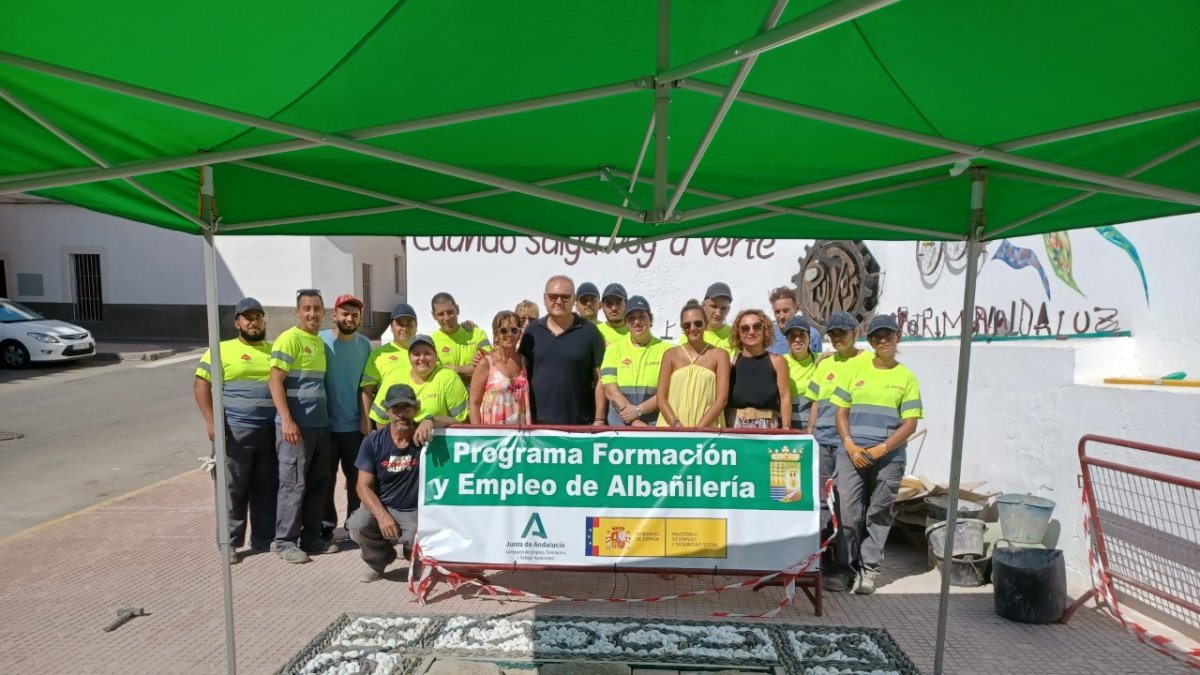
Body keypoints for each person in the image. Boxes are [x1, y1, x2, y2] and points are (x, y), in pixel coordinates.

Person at [832, 314, 923, 595]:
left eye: (887, 335)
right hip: (852, 453)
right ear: (870, 340)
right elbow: (840, 412)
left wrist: (881, 449)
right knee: (847, 509)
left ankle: (869, 569)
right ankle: (844, 569)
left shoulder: (906, 377)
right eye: (876, 336)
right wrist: (849, 444)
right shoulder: (855, 370)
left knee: (879, 511)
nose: (882, 340)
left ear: (897, 337)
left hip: (889, 455)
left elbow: (910, 423)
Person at [193, 297, 277, 563]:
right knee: (232, 488)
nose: (253, 322)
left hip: (269, 431)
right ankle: (228, 542)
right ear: (237, 322)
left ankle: (264, 538)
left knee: (266, 487)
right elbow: (201, 385)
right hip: (234, 432)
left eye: (258, 317)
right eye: (248, 318)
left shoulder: (274, 350)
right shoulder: (220, 350)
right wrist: (211, 421)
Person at [349, 384, 455, 583]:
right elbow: (362, 486)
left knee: (414, 532)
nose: (400, 415)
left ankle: (414, 559)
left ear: (416, 408)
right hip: (383, 505)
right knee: (358, 523)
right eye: (395, 409)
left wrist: (430, 420)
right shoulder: (373, 442)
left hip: (413, 510)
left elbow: (453, 421)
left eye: (406, 408)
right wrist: (382, 516)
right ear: (387, 412)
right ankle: (377, 561)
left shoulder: (424, 436)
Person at [807, 310, 873, 592]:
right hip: (822, 441)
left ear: (855, 333)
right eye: (832, 334)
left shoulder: (869, 362)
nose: (837, 339)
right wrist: (809, 434)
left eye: (842, 333)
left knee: (847, 505)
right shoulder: (823, 364)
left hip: (850, 443)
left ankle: (845, 567)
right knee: (820, 503)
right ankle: (818, 561)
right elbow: (815, 402)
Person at [268, 289, 335, 564]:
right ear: (297, 312)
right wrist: (287, 419)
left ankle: (311, 537)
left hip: (319, 425)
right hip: (295, 428)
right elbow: (275, 382)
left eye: (317, 308)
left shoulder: (318, 341)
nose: (312, 313)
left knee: (318, 484)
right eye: (306, 308)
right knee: (293, 484)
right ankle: (284, 542)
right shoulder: (289, 339)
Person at [319, 294, 372, 541]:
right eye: (345, 314)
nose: (349, 318)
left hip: (353, 426)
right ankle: (326, 526)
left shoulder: (364, 345)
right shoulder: (320, 341)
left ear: (359, 318)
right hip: (325, 426)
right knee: (325, 479)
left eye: (354, 315)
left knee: (355, 480)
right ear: (334, 315)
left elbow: (365, 385)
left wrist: (365, 418)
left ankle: (354, 526)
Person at [519, 275, 606, 425]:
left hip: (580, 424)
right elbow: (521, 374)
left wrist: (599, 419)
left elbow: (600, 379)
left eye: (565, 297)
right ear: (545, 298)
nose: (559, 301)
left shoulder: (590, 332)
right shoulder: (531, 332)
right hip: (537, 424)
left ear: (574, 300)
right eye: (553, 296)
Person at [368, 334, 470, 428]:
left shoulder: (448, 377)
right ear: (409, 357)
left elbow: (462, 422)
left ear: (436, 355)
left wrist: (433, 421)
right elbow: (380, 419)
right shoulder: (394, 377)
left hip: (436, 443)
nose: (422, 358)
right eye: (416, 354)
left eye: (427, 353)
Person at [657, 301, 730, 428]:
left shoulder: (720, 355)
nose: (692, 328)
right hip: (671, 428)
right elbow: (661, 397)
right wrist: (676, 425)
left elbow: (721, 400)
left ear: (706, 324)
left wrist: (698, 430)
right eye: (686, 325)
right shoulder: (670, 355)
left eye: (698, 323)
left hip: (708, 429)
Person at [600, 296, 669, 426]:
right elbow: (610, 390)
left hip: (655, 427)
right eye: (631, 318)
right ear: (626, 323)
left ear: (651, 319)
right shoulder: (614, 349)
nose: (636, 322)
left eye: (641, 316)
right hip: (619, 428)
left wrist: (638, 410)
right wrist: (636, 421)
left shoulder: (667, 350)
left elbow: (668, 391)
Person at [727, 309, 791, 429]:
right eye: (745, 328)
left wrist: (786, 429)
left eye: (757, 326)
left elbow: (785, 397)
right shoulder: (732, 362)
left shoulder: (777, 361)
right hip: (734, 427)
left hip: (767, 427)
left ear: (765, 330)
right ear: (738, 333)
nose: (751, 332)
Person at [469, 310, 531, 425]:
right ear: (496, 335)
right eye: (503, 331)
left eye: (514, 330)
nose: (509, 335)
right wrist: (478, 435)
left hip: (521, 435)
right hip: (492, 436)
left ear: (519, 333)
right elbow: (474, 404)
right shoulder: (485, 363)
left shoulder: (524, 362)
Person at [360, 303, 418, 407]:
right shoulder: (378, 355)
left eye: (409, 323)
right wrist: (367, 422)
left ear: (416, 326)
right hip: (390, 419)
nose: (404, 328)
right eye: (400, 324)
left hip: (423, 417)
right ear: (391, 327)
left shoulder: (426, 353)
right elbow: (367, 390)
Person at [430, 292, 490, 385]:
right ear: (433, 316)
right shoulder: (431, 342)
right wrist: (471, 369)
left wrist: (453, 369)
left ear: (457, 309)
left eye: (450, 312)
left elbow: (490, 364)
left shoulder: (477, 333)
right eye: (441, 314)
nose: (447, 318)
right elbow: (434, 373)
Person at [782, 316, 819, 432]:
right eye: (792, 336)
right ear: (786, 340)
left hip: (812, 429)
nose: (797, 340)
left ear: (810, 337)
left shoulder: (821, 361)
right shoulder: (781, 363)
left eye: (802, 334)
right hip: (786, 427)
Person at [681, 282, 735, 355]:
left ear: (728, 309)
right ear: (703, 306)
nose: (718, 313)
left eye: (723, 308)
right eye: (714, 307)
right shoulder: (689, 335)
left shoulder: (735, 335)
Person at [766, 286, 823, 356]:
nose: (781, 316)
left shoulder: (813, 334)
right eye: (777, 312)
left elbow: (817, 363)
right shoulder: (766, 335)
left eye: (786, 311)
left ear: (796, 308)